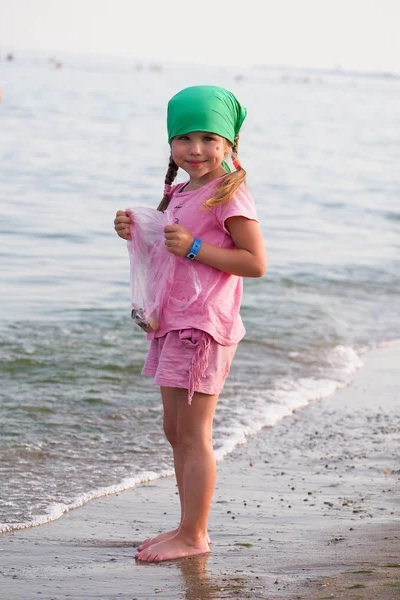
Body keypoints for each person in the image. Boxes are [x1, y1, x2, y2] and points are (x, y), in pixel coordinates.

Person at [114, 85, 266, 562]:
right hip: (173, 321)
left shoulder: (229, 194)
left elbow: (254, 262)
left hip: (203, 325)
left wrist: (197, 247)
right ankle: (185, 524)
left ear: (229, 144)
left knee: (194, 432)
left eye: (208, 138)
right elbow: (168, 252)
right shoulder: (179, 191)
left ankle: (195, 535)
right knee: (174, 429)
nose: (195, 149)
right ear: (170, 144)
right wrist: (134, 230)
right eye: (184, 138)